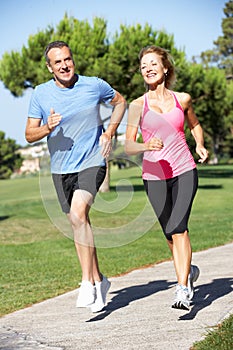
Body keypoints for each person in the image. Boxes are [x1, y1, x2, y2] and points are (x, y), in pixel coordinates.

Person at [25, 40, 126, 313]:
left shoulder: (94, 85)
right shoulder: (40, 94)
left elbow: (120, 102)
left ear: (73, 60)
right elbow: (29, 134)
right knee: (79, 223)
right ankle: (99, 280)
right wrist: (47, 127)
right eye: (57, 62)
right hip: (61, 170)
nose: (64, 65)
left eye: (67, 59)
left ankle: (86, 284)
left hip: (92, 161)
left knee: (78, 214)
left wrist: (110, 132)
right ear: (49, 68)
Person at [125, 45, 208, 310]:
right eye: (143, 66)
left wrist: (200, 145)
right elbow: (128, 145)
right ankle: (189, 271)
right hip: (154, 176)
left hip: (184, 169)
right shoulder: (137, 106)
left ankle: (183, 289)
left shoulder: (182, 99)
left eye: (152, 64)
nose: (147, 69)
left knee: (179, 228)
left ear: (165, 68)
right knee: (170, 236)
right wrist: (145, 147)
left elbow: (194, 124)